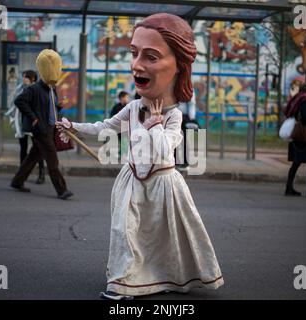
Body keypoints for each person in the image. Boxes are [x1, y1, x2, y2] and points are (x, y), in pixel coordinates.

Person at [57, 13, 223, 300]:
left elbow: (164, 148)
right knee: (126, 232)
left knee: (165, 239)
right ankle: (123, 285)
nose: (136, 65)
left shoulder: (174, 116)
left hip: (163, 184)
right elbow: (105, 128)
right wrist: (73, 127)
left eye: (151, 56)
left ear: (179, 67)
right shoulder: (133, 108)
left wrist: (155, 125)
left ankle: (163, 278)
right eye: (134, 54)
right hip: (132, 181)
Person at [10, 49, 73, 200]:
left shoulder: (52, 89)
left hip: (50, 128)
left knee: (32, 157)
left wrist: (58, 108)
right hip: (41, 130)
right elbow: (19, 101)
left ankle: (17, 181)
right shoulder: (34, 88)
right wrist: (33, 118)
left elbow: (49, 107)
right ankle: (62, 190)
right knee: (53, 160)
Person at [5, 70, 45, 184]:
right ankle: (22, 173)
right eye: (23, 77)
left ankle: (42, 173)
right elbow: (14, 103)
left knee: (37, 149)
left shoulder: (37, 90)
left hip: (33, 123)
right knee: (23, 148)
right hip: (22, 122)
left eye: (26, 77)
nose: (23, 79)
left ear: (32, 79)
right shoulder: (20, 89)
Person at [177, 92, 199, 168]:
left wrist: (192, 118)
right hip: (174, 114)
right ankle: (175, 161)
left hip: (184, 116)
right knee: (173, 138)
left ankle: (185, 161)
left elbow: (191, 104)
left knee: (185, 139)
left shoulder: (188, 88)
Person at [109, 91, 129, 159]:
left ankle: (123, 154)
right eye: (126, 97)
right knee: (122, 141)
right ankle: (121, 154)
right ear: (121, 98)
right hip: (118, 128)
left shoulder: (128, 106)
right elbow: (111, 116)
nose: (127, 99)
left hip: (126, 127)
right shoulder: (116, 107)